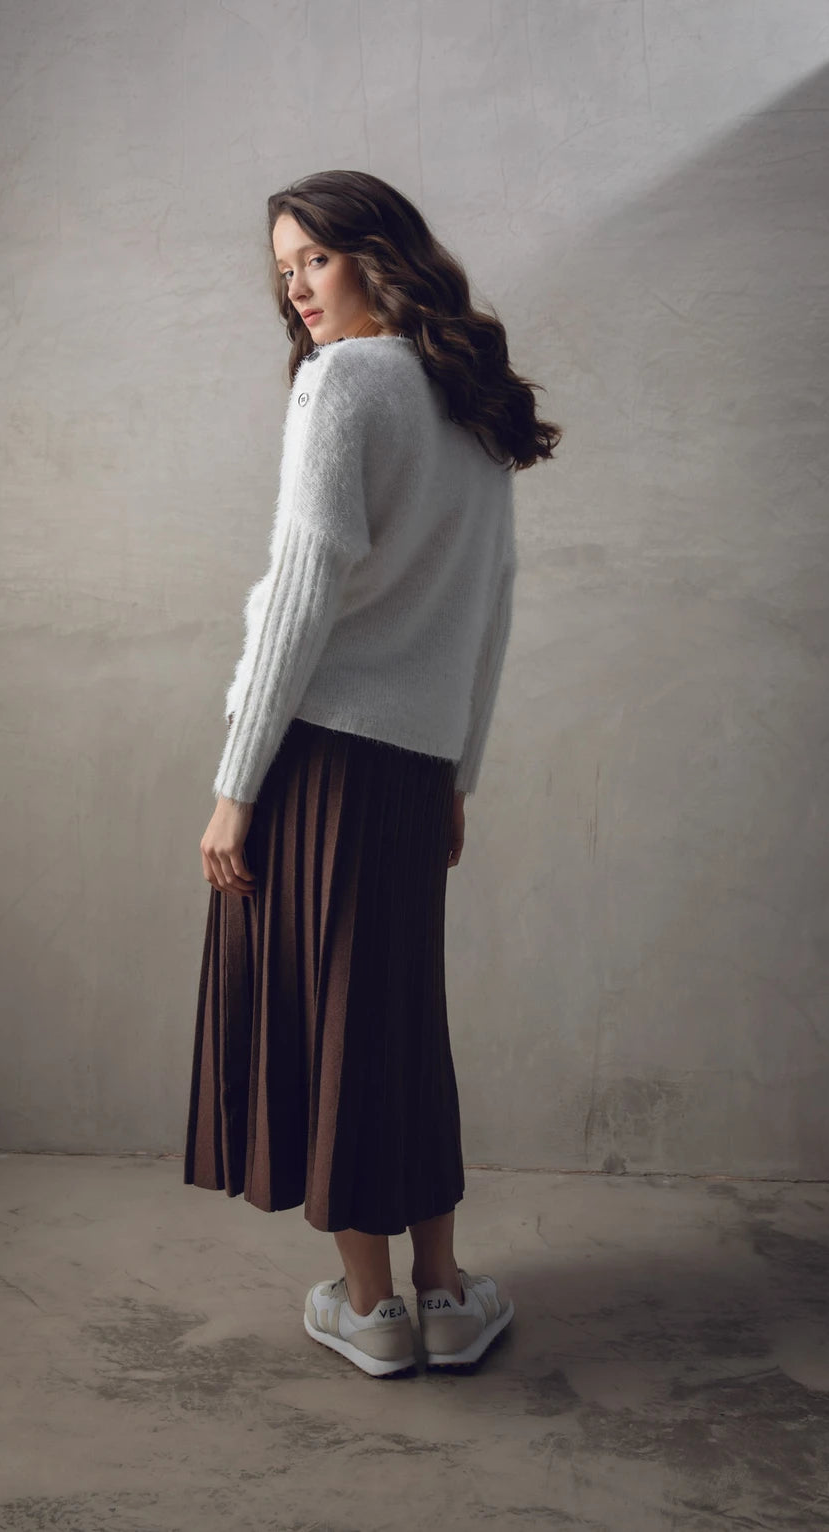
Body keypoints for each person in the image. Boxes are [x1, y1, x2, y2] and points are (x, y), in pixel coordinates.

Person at [183, 169, 561, 1378]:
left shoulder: (346, 382)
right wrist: (459, 771)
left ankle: (371, 1308)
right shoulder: (472, 408)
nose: (296, 288)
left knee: (329, 1024)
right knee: (399, 1021)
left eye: (315, 260)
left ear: (376, 256)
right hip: (408, 774)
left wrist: (238, 780)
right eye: (283, 268)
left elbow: (303, 590)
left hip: (315, 760)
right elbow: (487, 615)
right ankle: (444, 1292)